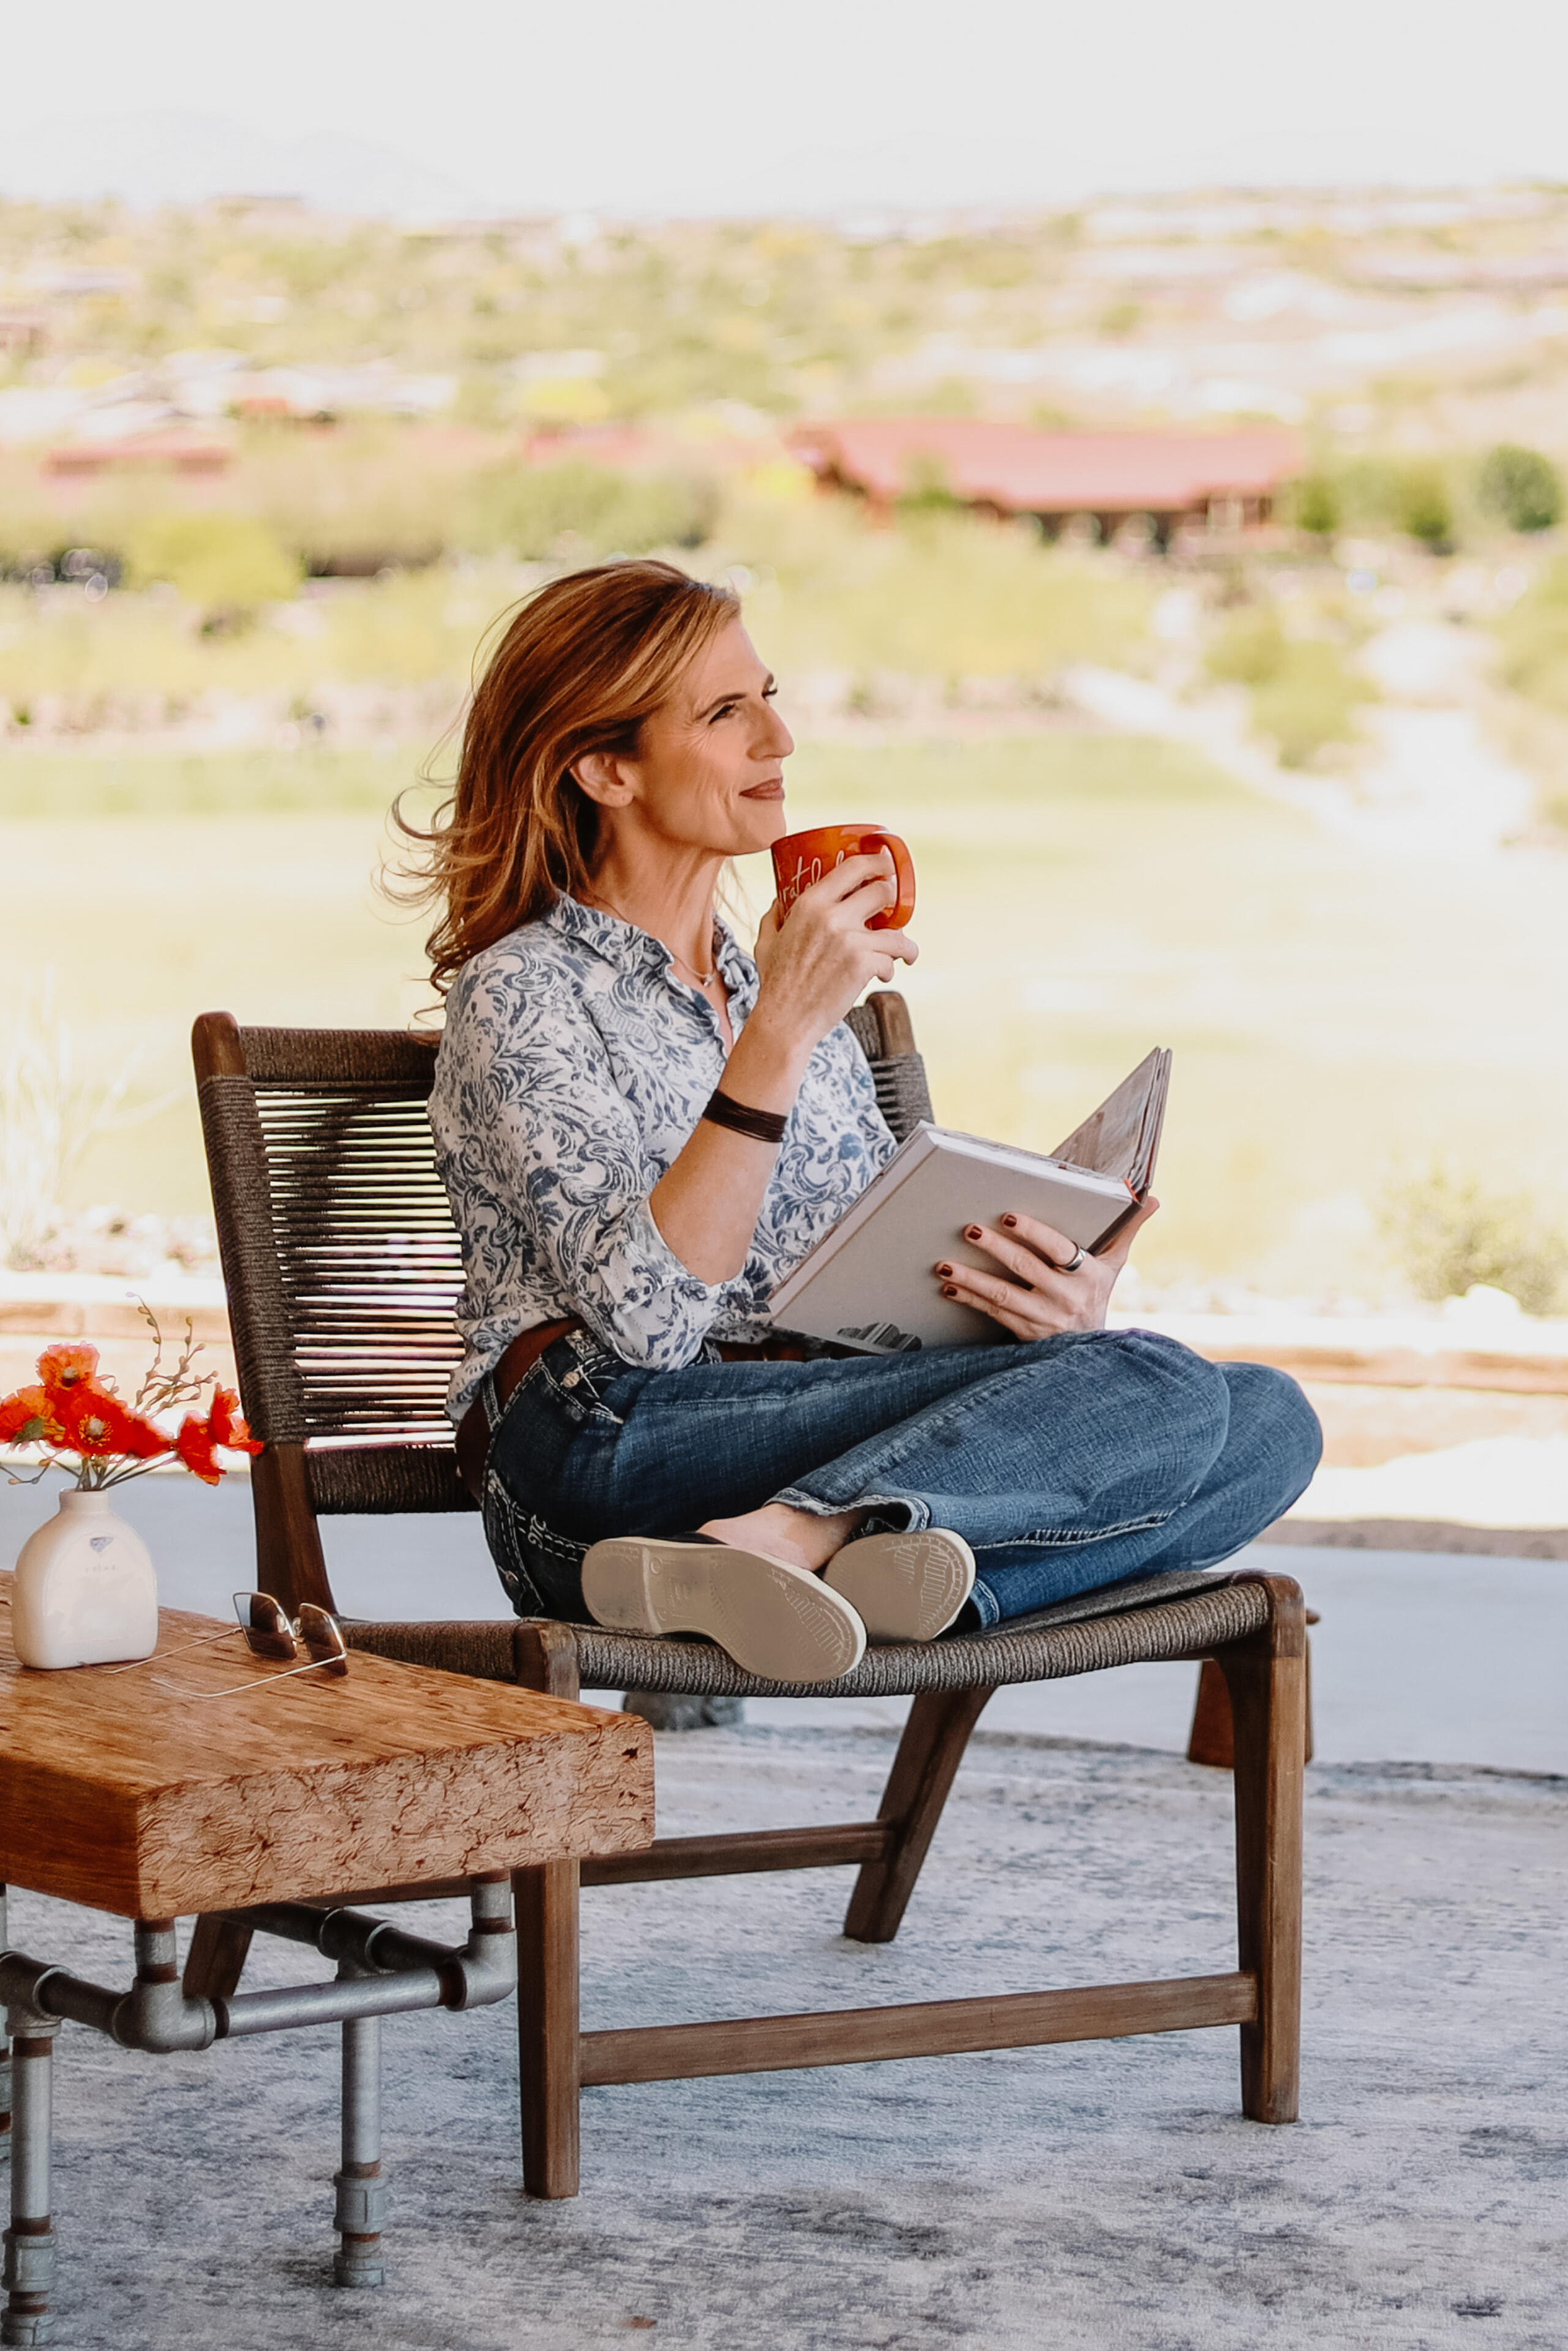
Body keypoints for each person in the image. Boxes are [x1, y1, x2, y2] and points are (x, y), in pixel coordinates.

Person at [405, 559, 1321, 1682]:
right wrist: (779, 1033)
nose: (779, 740)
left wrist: (1039, 1311)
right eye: (724, 712)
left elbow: (866, 1301)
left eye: (768, 697)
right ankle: (818, 1536)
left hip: (786, 1435)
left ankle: (819, 1546)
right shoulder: (525, 992)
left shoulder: (773, 986)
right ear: (606, 768)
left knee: (1266, 1417)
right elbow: (644, 1327)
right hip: (604, 1447)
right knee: (1161, 1387)